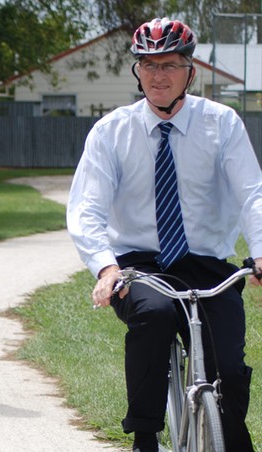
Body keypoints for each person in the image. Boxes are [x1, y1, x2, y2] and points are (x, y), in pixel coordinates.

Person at [67, 17, 262, 452]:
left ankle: (229, 441)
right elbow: (88, 208)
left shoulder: (222, 124)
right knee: (152, 317)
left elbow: (253, 193)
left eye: (170, 65)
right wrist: (105, 268)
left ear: (190, 72)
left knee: (228, 367)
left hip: (207, 263)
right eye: (148, 65)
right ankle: (144, 436)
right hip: (138, 264)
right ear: (137, 71)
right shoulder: (112, 131)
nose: (158, 76)